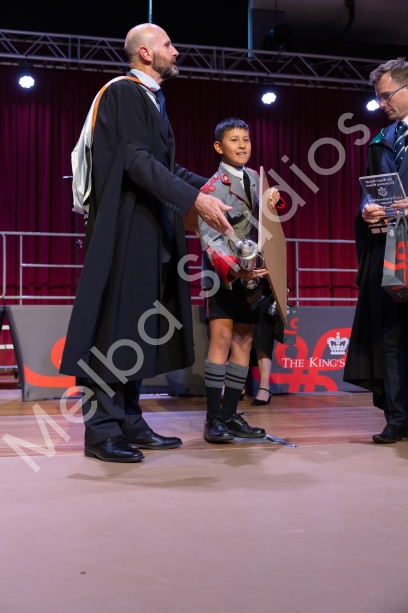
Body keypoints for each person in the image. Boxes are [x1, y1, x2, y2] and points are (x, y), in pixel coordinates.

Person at [60, 23, 235, 463]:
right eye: (168, 45)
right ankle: (101, 430)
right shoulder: (123, 93)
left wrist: (218, 188)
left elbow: (165, 168)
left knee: (134, 330)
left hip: (151, 228)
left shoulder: (153, 100)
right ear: (145, 53)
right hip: (124, 229)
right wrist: (195, 201)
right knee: (113, 327)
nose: (176, 52)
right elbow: (135, 160)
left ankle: (129, 420)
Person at [198, 117, 283, 442]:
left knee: (245, 341)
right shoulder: (212, 187)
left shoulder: (257, 179)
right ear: (219, 147)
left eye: (246, 139)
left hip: (253, 273)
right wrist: (236, 268)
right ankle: (213, 419)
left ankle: (231, 415)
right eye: (234, 140)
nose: (242, 145)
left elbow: (269, 217)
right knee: (221, 339)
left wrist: (274, 198)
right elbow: (209, 237)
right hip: (223, 274)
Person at [344, 58, 408, 444]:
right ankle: (398, 418)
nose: (381, 104)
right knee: (391, 337)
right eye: (378, 98)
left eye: (387, 96)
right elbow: (372, 191)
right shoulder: (382, 140)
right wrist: (366, 209)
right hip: (391, 253)